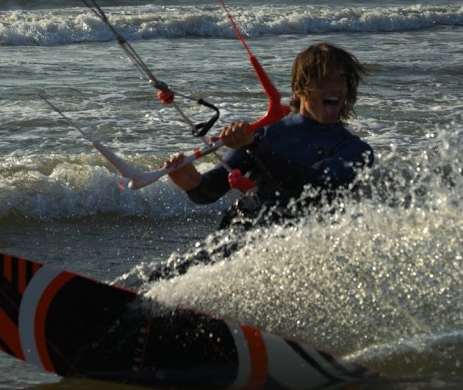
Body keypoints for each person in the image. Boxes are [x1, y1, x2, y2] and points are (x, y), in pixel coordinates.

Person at [149, 42, 373, 279]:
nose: (335, 87)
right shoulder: (268, 134)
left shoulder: (355, 150)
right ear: (299, 88)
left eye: (340, 80)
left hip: (303, 249)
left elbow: (314, 185)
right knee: (162, 276)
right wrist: (191, 182)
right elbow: (211, 191)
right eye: (324, 80)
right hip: (242, 234)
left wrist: (255, 146)